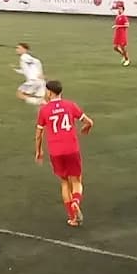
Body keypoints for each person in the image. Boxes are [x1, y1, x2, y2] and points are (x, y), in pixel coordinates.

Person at [35, 80, 94, 227]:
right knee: (77, 181)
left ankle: (72, 217)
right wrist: (86, 128)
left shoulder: (44, 110)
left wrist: (39, 151)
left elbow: (39, 133)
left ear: (49, 92)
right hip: (72, 149)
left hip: (56, 152)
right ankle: (76, 202)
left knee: (64, 182)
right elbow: (89, 122)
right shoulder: (70, 105)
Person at [112, 2, 130, 67]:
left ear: (123, 9)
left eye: (120, 9)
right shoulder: (117, 16)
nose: (119, 10)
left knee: (123, 47)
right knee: (115, 47)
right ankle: (124, 56)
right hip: (117, 33)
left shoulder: (124, 17)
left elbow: (127, 25)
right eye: (118, 9)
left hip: (122, 33)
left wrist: (117, 26)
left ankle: (127, 60)